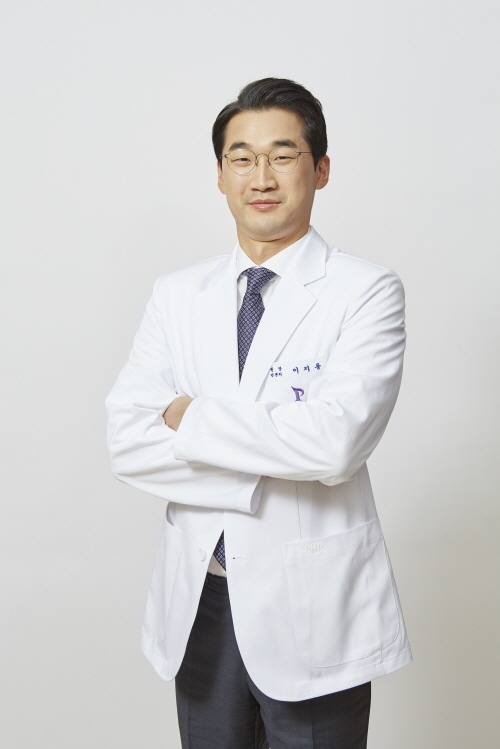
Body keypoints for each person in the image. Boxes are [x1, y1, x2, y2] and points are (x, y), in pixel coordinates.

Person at [105, 77, 412, 749]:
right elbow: (127, 442)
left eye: (283, 154)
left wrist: (189, 418)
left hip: (312, 603)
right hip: (203, 600)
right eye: (241, 158)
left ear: (320, 168)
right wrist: (271, 456)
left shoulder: (365, 292)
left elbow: (334, 445)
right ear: (220, 175)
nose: (261, 176)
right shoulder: (177, 294)